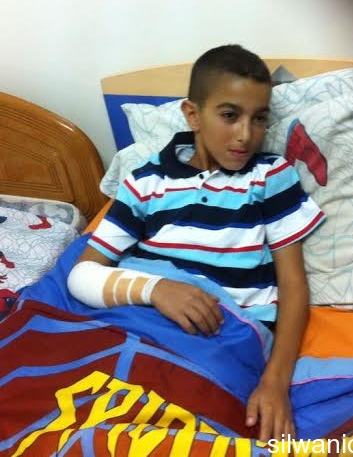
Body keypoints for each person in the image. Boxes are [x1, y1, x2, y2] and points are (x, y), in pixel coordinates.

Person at [68, 44, 325, 442]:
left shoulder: (269, 177)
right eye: (229, 115)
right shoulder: (146, 182)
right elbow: (82, 274)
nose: (246, 135)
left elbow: (293, 285)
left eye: (259, 118)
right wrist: (157, 289)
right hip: (141, 320)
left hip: (221, 337)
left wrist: (275, 382)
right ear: (192, 114)